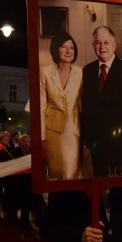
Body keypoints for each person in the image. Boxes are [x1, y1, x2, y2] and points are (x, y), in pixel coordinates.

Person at [81, 25, 122, 177]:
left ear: (114, 45)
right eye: (98, 43)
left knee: (118, 190)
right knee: (100, 190)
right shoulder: (87, 71)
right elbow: (86, 106)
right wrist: (87, 139)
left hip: (121, 145)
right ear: (93, 45)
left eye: (106, 42)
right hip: (95, 145)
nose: (102, 47)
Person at [39, 31, 83, 181]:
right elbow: (40, 107)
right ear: (55, 49)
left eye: (71, 48)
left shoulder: (81, 73)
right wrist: (42, 138)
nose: (68, 51)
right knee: (56, 175)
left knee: (74, 174)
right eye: (64, 47)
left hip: (76, 131)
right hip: (53, 133)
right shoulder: (44, 72)